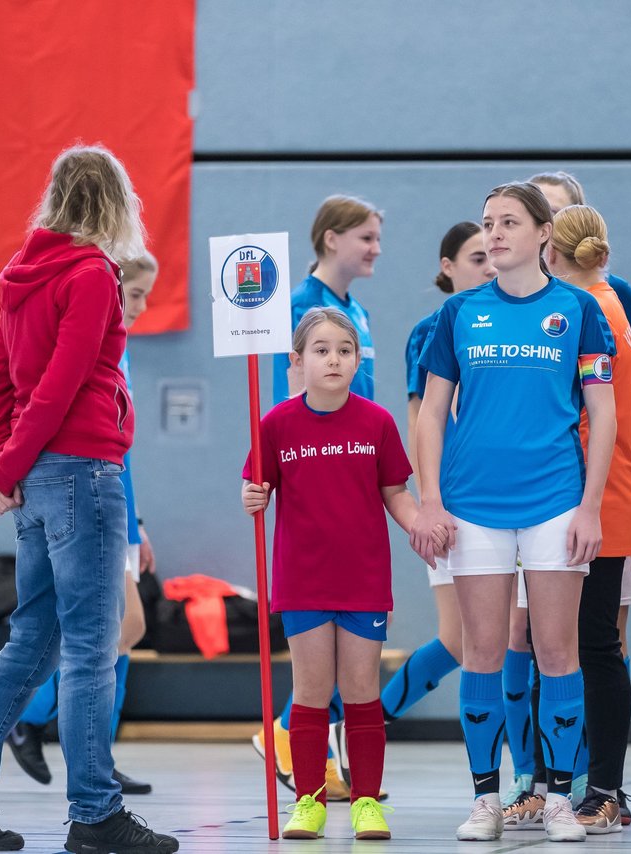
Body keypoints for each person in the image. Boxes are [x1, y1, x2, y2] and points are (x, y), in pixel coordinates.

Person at [0, 144, 177, 853]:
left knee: (32, 641)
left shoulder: (22, 274)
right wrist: (4, 470)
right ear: (114, 204)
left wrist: (2, 465)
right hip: (84, 475)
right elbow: (60, 388)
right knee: (91, 650)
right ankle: (95, 814)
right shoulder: (92, 274)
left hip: (39, 481)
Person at [410, 182, 616, 843]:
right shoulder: (459, 314)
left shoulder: (580, 311)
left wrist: (591, 506)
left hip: (557, 499)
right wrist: (431, 501)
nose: (494, 234)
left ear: (542, 235)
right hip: (472, 505)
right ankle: (485, 800)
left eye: (508, 223)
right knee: (483, 650)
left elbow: (606, 415)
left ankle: (559, 800)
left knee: (557, 651)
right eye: (487, 223)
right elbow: (431, 414)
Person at [242, 307, 432, 841]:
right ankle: (309, 801)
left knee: (361, 691)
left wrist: (422, 527)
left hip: (364, 580)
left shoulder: (377, 422)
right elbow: (258, 488)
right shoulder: (276, 424)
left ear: (356, 361)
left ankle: (367, 801)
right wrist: (252, 495)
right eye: (321, 351)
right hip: (302, 581)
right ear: (297, 362)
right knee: (310, 690)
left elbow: (395, 492)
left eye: (344, 351)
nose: (333, 360)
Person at [522, 171, 631, 825]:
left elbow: (605, 420)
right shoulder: (591, 302)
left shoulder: (590, 311)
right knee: (570, 645)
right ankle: (570, 784)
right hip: (590, 495)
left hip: (591, 498)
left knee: (590, 647)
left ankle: (603, 791)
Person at [5, 253, 161, 797]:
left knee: (120, 633)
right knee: (118, 629)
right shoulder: (93, 342)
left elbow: (125, 452)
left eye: (146, 297)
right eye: (135, 294)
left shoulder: (123, 352)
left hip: (114, 499)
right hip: (85, 496)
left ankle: (96, 752)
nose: (140, 307)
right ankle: (33, 714)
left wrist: (137, 525)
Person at [257, 194, 383, 800]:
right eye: (365, 236)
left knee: (350, 669)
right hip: (317, 490)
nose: (375, 248)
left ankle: (306, 745)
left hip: (362, 475)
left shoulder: (354, 309)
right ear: (330, 238)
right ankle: (290, 738)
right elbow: (292, 407)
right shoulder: (307, 307)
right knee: (318, 668)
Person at [378, 222, 496, 724]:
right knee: (460, 638)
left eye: (492, 255)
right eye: (476, 258)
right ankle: (333, 725)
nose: (489, 266)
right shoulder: (434, 329)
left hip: (504, 500)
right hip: (454, 501)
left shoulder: (509, 319)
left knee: (485, 640)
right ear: (447, 268)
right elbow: (419, 417)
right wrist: (431, 501)